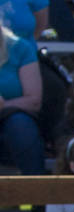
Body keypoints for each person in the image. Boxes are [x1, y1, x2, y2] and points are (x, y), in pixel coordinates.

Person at [0, 20, 42, 177]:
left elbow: (34, 100)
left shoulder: (19, 47)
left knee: (21, 126)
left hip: (12, 119)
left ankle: (38, 193)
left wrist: (3, 105)